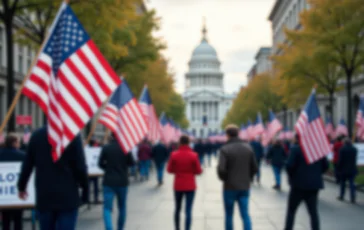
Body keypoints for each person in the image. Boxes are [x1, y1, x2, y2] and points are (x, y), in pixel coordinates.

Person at [17, 127, 88, 230]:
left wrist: (21, 186)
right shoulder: (72, 135)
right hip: (67, 195)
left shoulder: (36, 135)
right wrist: (85, 189)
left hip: (45, 194)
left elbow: (27, 165)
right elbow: (80, 167)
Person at [284, 134, 328, 230]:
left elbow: (289, 166)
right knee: (313, 212)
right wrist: (316, 174)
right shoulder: (318, 150)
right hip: (313, 186)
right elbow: (326, 166)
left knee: (291, 211)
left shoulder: (296, 149)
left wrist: (292, 177)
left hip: (298, 185)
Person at [217, 124, 257, 230]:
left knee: (229, 215)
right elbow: (255, 167)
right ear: (238, 134)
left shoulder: (225, 149)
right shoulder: (248, 148)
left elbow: (221, 169)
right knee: (245, 214)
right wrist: (249, 178)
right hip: (244, 186)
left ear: (227, 135)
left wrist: (224, 178)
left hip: (229, 186)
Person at [98, 133, 135, 230]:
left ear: (111, 136)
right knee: (122, 207)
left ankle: (109, 228)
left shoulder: (106, 148)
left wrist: (107, 168)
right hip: (122, 181)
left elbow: (100, 163)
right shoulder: (126, 148)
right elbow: (131, 163)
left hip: (109, 181)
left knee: (107, 209)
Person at [167, 135, 202, 230]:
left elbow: (169, 170)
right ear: (188, 143)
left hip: (178, 184)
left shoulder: (174, 154)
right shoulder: (194, 155)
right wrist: (191, 172)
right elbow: (199, 171)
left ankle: (177, 228)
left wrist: (177, 171)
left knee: (177, 208)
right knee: (188, 210)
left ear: (180, 142)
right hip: (190, 185)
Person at [0, 134, 25, 230]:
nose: (20, 144)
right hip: (17, 193)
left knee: (5, 220)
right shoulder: (22, 156)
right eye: (18, 142)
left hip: (3, 193)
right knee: (18, 220)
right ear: (14, 143)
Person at [337, 138, 358, 203]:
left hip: (344, 169)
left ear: (345, 143)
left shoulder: (342, 149)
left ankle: (342, 196)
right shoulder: (354, 149)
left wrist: (338, 168)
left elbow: (340, 160)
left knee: (343, 183)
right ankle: (353, 197)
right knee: (352, 183)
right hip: (352, 168)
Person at [88, 139, 100, 204]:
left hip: (93, 170)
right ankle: (92, 199)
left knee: (95, 185)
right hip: (91, 170)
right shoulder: (89, 150)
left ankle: (94, 198)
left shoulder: (95, 149)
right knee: (91, 185)